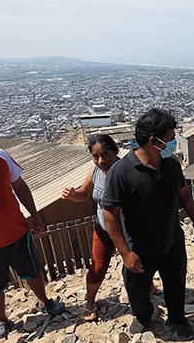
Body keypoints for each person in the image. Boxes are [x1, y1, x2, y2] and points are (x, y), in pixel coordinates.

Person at [101, 108, 194, 341]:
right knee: (138, 289)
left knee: (175, 284)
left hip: (172, 241)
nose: (173, 142)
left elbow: (184, 195)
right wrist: (125, 253)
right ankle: (143, 316)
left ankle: (177, 318)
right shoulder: (122, 172)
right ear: (153, 141)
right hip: (140, 247)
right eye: (170, 138)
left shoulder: (171, 165)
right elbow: (110, 215)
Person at [0, 108, 65, 342]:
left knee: (32, 270)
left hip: (16, 231)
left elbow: (20, 187)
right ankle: (2, 321)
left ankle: (45, 301)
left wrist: (35, 216)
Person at [61, 134, 133, 321]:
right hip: (103, 229)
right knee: (98, 267)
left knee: (134, 263)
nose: (101, 161)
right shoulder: (95, 171)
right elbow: (84, 193)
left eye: (105, 155)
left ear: (114, 152)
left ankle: (146, 289)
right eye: (96, 156)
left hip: (127, 230)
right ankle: (90, 301)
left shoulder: (126, 171)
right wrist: (72, 195)